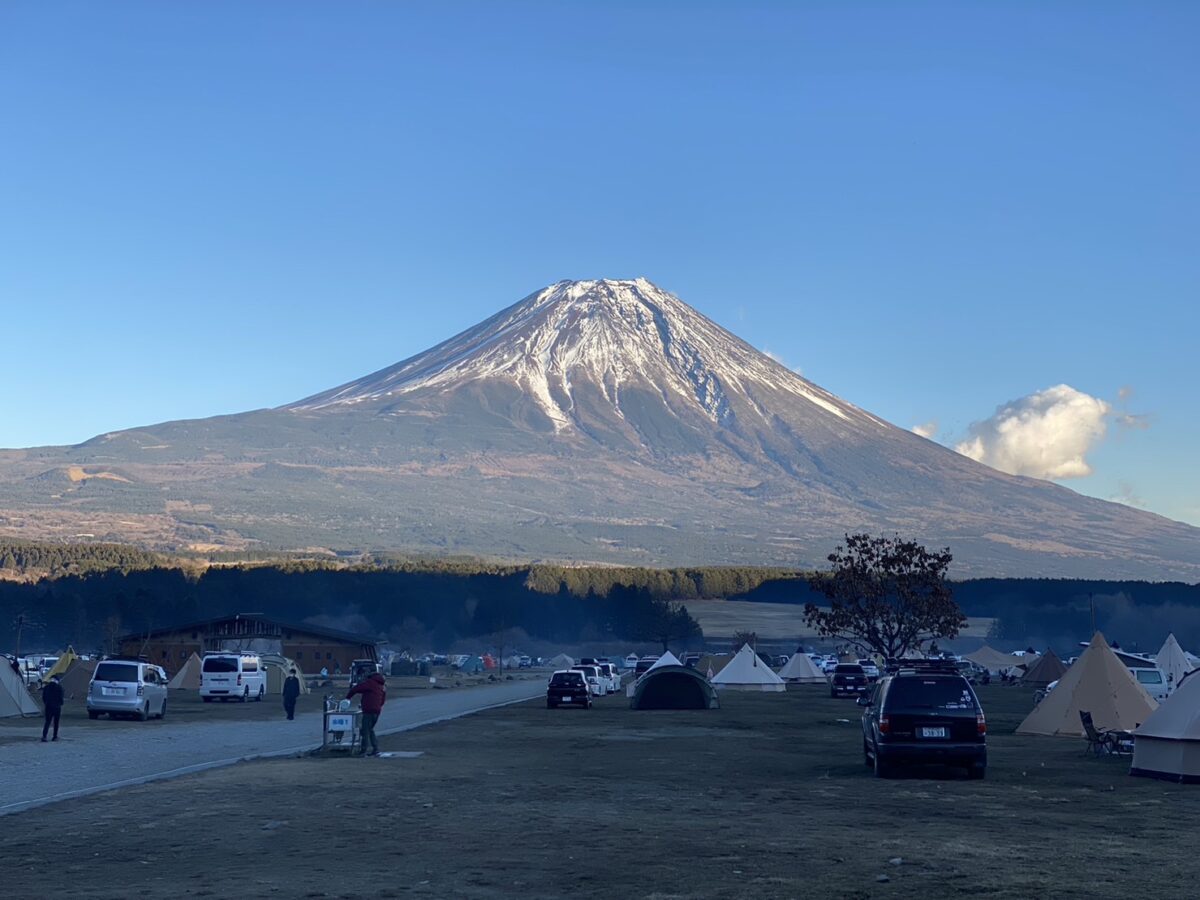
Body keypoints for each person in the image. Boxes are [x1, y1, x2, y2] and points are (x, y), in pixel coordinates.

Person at [345, 670, 386, 757]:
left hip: (369, 710)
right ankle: (375, 749)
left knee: (365, 730)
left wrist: (348, 698)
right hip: (377, 711)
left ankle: (363, 750)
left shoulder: (370, 683)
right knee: (370, 729)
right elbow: (382, 700)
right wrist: (377, 705)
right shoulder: (382, 686)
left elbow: (356, 689)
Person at [42, 674, 64, 742]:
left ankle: (44, 736)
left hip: (48, 706)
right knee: (56, 722)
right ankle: (55, 736)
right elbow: (61, 698)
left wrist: (46, 703)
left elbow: (44, 697)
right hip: (57, 707)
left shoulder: (46, 687)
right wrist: (61, 703)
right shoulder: (59, 687)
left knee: (47, 722)